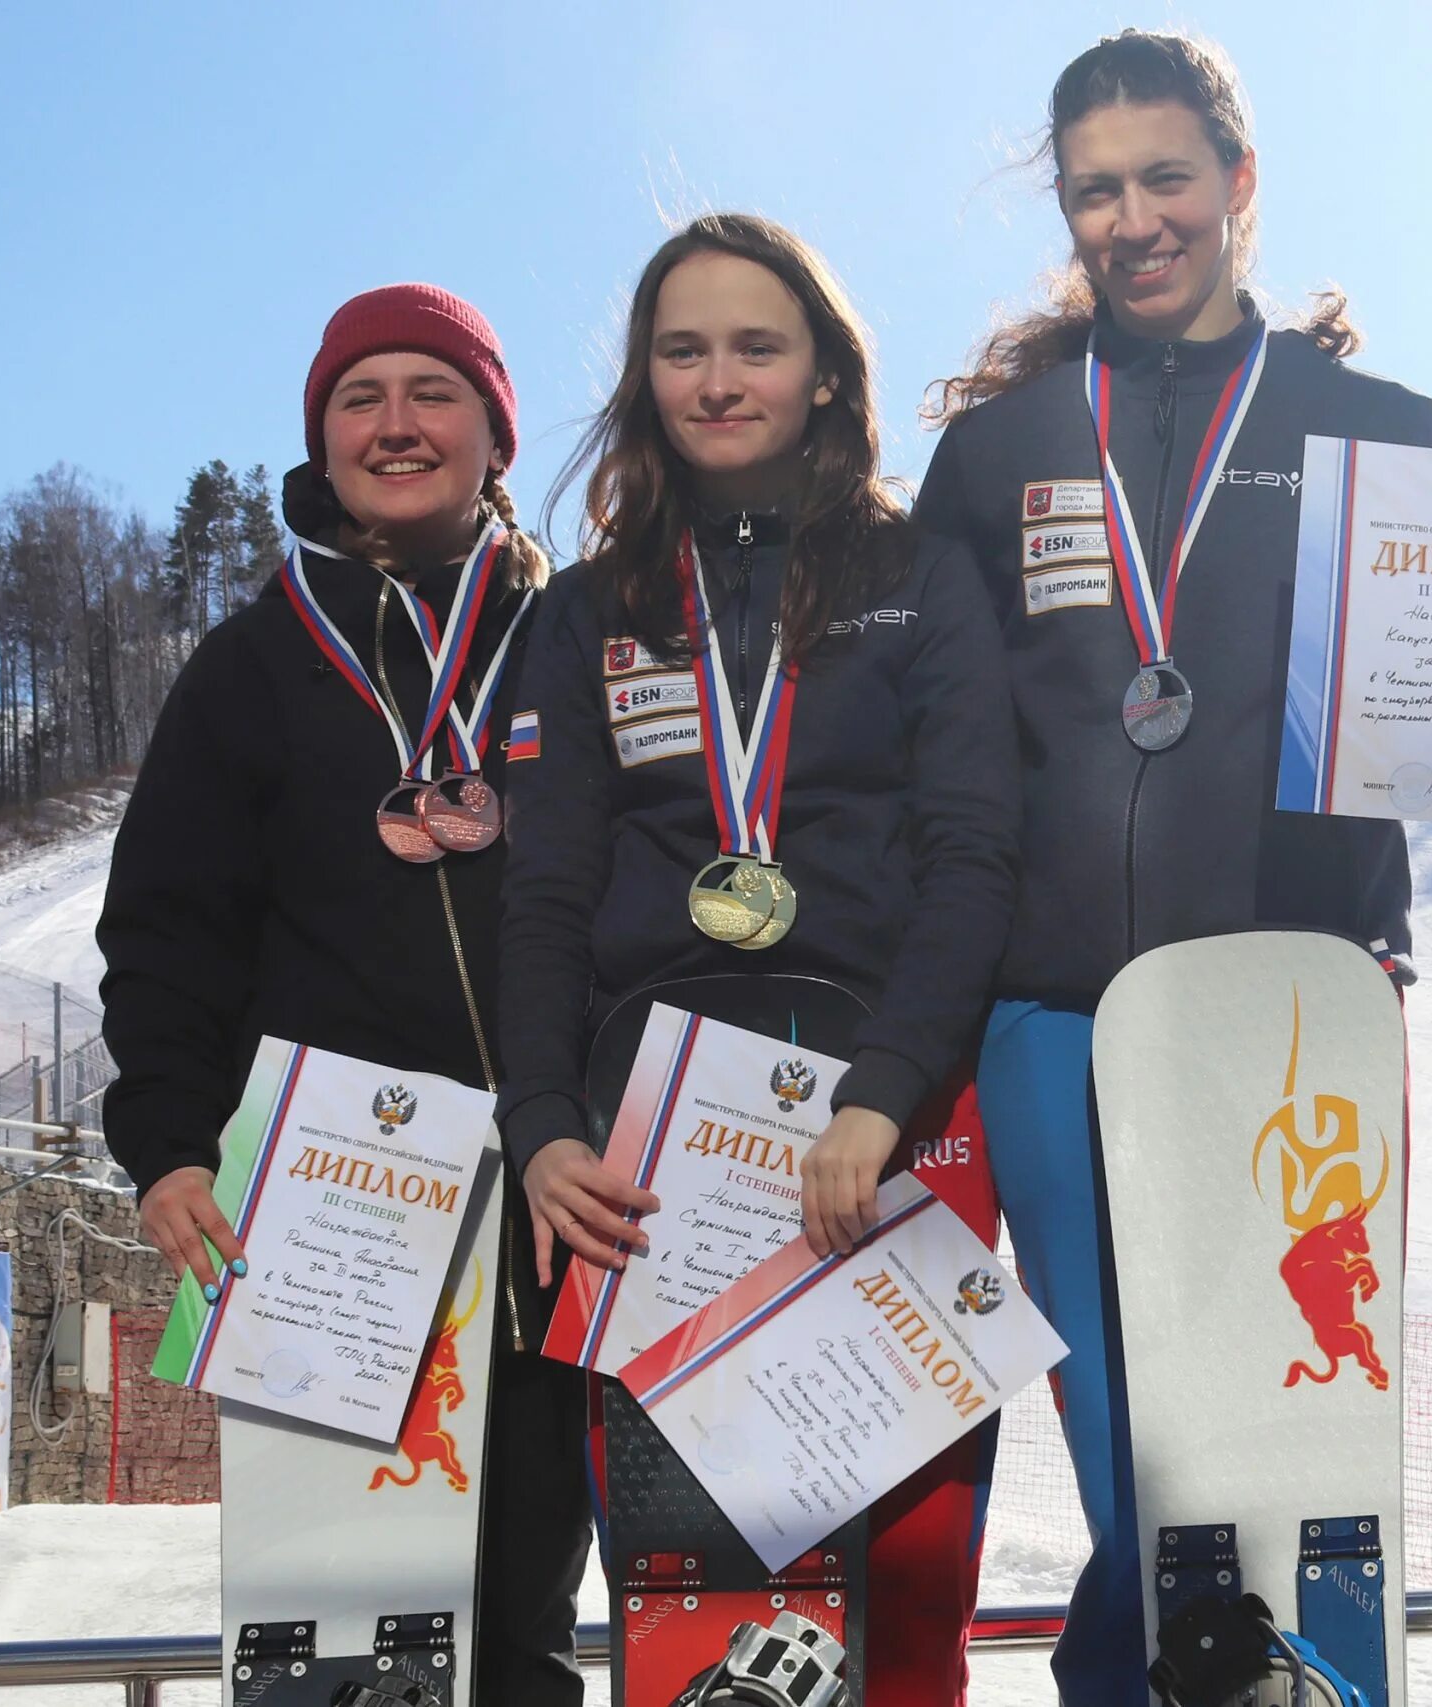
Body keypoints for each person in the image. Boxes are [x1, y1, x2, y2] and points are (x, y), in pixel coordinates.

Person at [913, 30, 1432, 1703]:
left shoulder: (1368, 428)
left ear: (1240, 186)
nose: (1133, 217)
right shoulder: (999, 451)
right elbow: (919, 746)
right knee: (1144, 1464)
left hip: (1299, 1012)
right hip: (1055, 1024)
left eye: (1166, 177)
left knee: (1291, 1453)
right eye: (1097, 189)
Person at [494, 212, 1020, 1706]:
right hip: (657, 1144)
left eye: (755, 346)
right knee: (692, 1615)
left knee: (907, 1593)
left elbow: (973, 856)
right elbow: (544, 896)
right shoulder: (587, 611)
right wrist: (543, 1127)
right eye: (682, 350)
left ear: (827, 376)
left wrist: (889, 1088)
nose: (718, 381)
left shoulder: (923, 575)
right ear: (645, 380)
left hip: (894, 1115)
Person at [96, 284, 591, 1704]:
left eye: (433, 392)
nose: (395, 423)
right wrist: (171, 1140)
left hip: (554, 1193)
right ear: (321, 440)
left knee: (521, 1628)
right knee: (338, 1643)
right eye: (358, 396)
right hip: (334, 1208)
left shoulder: (575, 639)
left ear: (494, 432)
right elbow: (167, 927)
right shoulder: (253, 665)